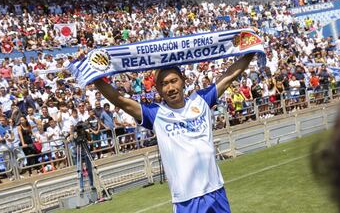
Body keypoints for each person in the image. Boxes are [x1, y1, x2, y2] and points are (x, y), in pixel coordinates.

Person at [94, 53, 256, 213]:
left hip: (216, 191)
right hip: (186, 200)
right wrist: (95, 77)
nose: (170, 88)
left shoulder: (201, 101)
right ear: (157, 88)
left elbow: (229, 76)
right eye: (164, 84)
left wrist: (252, 51)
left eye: (173, 81)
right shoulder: (155, 114)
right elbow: (119, 100)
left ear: (183, 81)